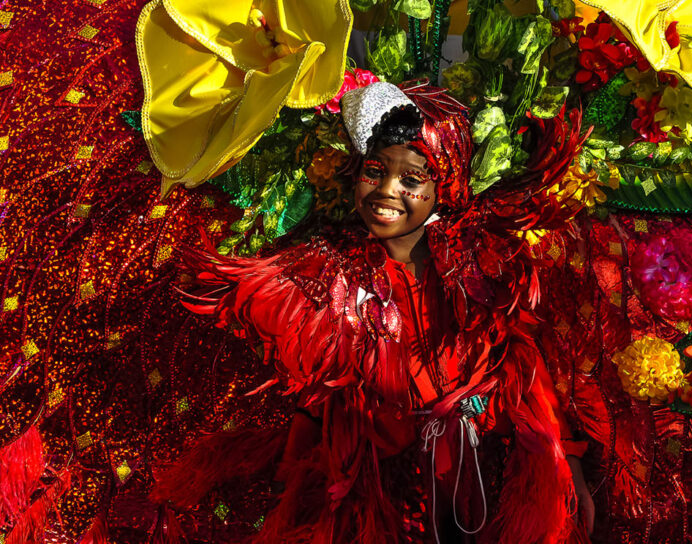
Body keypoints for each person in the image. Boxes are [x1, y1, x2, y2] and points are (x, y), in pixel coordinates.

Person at [174, 81, 593, 543]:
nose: (387, 190)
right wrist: (293, 482)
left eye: (411, 179)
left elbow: (525, 364)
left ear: (444, 186)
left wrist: (565, 461)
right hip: (387, 497)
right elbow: (321, 389)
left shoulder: (484, 261)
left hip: (488, 477)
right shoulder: (327, 273)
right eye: (375, 171)